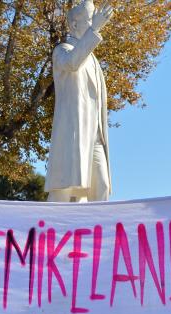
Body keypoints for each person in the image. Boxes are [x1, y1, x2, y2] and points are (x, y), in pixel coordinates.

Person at [45, 0, 113, 202]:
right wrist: (95, 29)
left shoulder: (92, 59)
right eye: (90, 20)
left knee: (102, 186)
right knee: (64, 188)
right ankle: (48, 229)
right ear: (74, 24)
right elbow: (73, 62)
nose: (95, 23)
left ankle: (97, 232)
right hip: (74, 132)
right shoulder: (62, 51)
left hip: (95, 134)